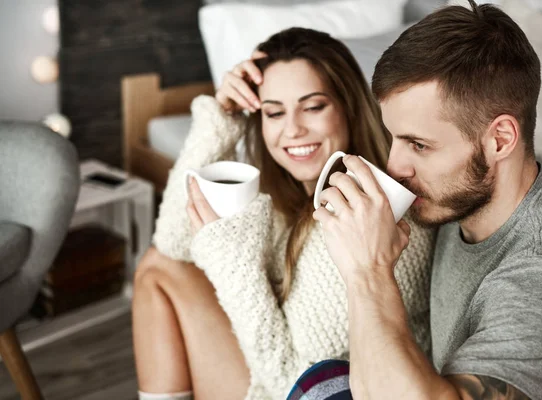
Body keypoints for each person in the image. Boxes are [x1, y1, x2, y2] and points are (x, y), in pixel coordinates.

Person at [309, 1, 542, 399]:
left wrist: (369, 271)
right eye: (394, 137)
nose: (395, 166)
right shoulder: (458, 200)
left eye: (419, 145)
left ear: (500, 140)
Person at [133, 27, 436, 400]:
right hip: (287, 376)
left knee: (160, 270)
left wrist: (234, 267)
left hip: (312, 391)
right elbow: (172, 243)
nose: (292, 130)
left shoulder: (367, 217)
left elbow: (299, 387)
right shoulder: (290, 198)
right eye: (274, 112)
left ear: (348, 107)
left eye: (312, 107)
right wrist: (221, 120)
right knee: (160, 266)